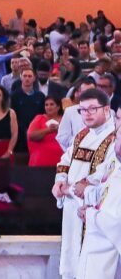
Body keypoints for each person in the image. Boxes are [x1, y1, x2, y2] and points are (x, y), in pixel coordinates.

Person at [53, 89, 116, 279]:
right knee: (71, 255)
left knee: (90, 264)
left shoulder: (114, 138)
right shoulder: (81, 135)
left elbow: (106, 171)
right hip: (72, 207)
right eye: (82, 110)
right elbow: (65, 160)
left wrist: (72, 188)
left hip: (93, 208)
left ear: (106, 109)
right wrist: (60, 181)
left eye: (92, 109)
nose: (86, 114)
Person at [76, 110, 121, 278]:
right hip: (96, 249)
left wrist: (91, 214)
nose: (117, 131)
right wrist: (90, 204)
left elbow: (116, 223)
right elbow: (106, 194)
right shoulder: (116, 164)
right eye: (118, 119)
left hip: (108, 256)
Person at [11, 67, 45, 153]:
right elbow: (12, 116)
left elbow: (42, 115)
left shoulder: (40, 96)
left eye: (30, 76)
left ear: (34, 78)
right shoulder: (14, 96)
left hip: (36, 133)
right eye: (25, 76)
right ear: (21, 77)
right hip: (19, 134)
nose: (27, 78)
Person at [27, 96, 64, 167]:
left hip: (61, 161)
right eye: (46, 105)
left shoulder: (65, 119)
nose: (48, 107)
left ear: (58, 107)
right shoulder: (39, 118)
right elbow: (31, 136)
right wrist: (48, 130)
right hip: (40, 161)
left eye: (51, 104)